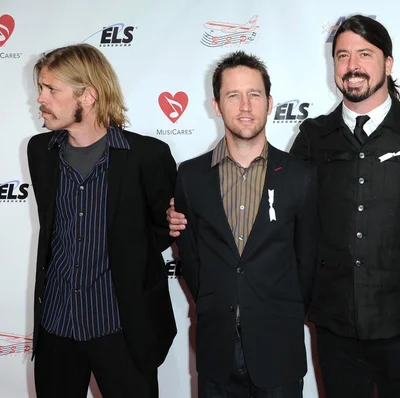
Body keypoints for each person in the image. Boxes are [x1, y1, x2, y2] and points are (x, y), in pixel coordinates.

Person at [290, 15, 400, 398]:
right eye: (342, 55)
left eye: (365, 53)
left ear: (388, 63)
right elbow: (282, 211)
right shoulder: (313, 137)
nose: (352, 65)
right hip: (334, 326)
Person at [27, 43, 177, 398]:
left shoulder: (146, 156)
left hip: (121, 327)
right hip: (57, 326)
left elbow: (162, 231)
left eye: (51, 89)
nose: (41, 99)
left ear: (89, 96)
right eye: (40, 89)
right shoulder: (40, 152)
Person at [174, 51, 319, 397]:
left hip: (278, 348)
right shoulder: (191, 176)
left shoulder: (301, 176)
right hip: (216, 349)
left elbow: (308, 262)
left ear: (269, 103)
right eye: (233, 95)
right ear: (216, 105)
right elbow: (191, 259)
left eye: (254, 95)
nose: (244, 106)